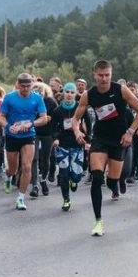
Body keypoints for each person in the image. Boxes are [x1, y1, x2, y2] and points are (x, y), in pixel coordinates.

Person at [72, 60, 138, 236]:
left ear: (111, 74)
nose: (104, 79)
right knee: (97, 177)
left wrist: (130, 132)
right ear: (94, 75)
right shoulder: (89, 95)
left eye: (107, 75)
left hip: (119, 139)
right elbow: (76, 119)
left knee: (113, 181)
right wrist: (77, 131)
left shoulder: (121, 90)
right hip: (100, 138)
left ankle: (113, 182)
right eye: (100, 75)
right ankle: (98, 221)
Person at [0, 73, 48, 211]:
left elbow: (44, 118)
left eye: (28, 86)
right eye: (23, 86)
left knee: (26, 166)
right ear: (18, 85)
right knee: (13, 169)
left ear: (32, 85)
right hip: (12, 136)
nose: (26, 89)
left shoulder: (37, 98)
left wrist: (32, 123)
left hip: (29, 135)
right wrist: (8, 126)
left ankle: (20, 198)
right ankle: (8, 176)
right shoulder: (9, 97)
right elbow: (0, 117)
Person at [50, 83, 90, 211]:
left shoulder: (81, 109)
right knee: (63, 174)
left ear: (75, 94)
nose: (69, 94)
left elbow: (89, 124)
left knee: (76, 176)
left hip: (77, 145)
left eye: (72, 92)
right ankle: (66, 199)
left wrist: (87, 140)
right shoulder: (57, 111)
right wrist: (55, 138)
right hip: (62, 146)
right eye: (67, 92)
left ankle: (74, 181)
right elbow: (52, 128)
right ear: (64, 93)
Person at [30, 82, 58, 198]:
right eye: (35, 92)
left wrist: (50, 119)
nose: (38, 94)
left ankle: (43, 179)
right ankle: (34, 186)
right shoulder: (30, 102)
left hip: (47, 133)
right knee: (34, 158)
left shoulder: (51, 102)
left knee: (46, 158)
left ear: (45, 92)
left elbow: (57, 118)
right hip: (34, 132)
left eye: (40, 92)